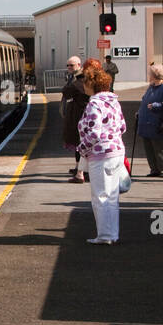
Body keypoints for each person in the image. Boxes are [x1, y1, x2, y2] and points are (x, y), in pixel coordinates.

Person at [78, 63, 126, 244]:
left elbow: (94, 133)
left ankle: (105, 236)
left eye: (85, 82)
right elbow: (123, 127)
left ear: (92, 84)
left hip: (100, 155)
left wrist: (82, 148)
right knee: (112, 196)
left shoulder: (94, 104)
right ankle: (112, 233)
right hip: (116, 152)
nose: (83, 85)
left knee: (101, 196)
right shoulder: (114, 102)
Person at [138, 64, 163, 177]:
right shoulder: (152, 86)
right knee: (150, 147)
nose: (149, 76)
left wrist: (156, 105)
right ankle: (154, 169)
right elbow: (144, 99)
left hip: (158, 123)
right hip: (147, 123)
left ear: (155, 75)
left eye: (150, 74)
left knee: (161, 147)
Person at [60, 56, 89, 182]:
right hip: (77, 115)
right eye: (68, 65)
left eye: (71, 65)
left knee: (80, 143)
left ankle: (82, 172)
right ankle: (80, 169)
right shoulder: (74, 78)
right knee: (79, 143)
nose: (69, 68)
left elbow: (67, 92)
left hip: (79, 116)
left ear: (79, 65)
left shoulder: (79, 81)